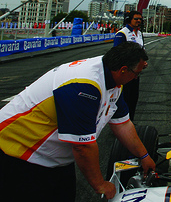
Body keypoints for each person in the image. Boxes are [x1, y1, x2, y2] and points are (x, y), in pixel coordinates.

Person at [0, 42, 155, 201]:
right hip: (18, 153)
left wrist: (144, 155)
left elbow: (123, 124)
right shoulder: (84, 86)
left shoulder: (114, 80)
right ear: (123, 69)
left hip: (54, 161)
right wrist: (100, 184)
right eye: (137, 73)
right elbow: (82, 146)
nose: (136, 78)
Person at [114, 10, 144, 120]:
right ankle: (120, 122)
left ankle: (130, 121)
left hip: (136, 73)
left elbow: (142, 51)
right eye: (136, 19)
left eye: (140, 19)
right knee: (124, 99)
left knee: (133, 98)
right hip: (125, 73)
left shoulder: (139, 34)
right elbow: (116, 53)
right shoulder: (122, 34)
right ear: (129, 20)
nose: (138, 21)